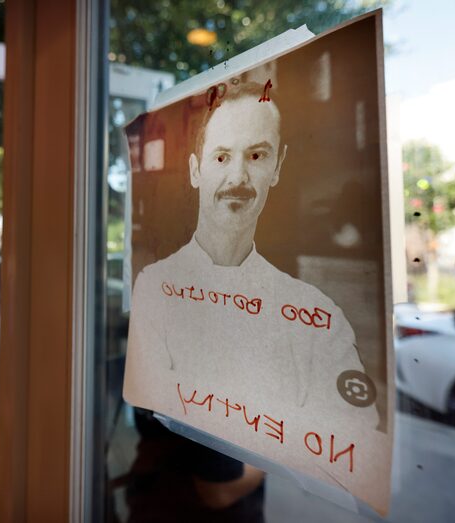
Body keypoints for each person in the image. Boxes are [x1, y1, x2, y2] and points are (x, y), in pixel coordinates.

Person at [123, 81, 378, 428]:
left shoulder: (320, 319)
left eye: (257, 155)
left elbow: (352, 442)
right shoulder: (155, 287)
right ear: (196, 170)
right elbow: (158, 424)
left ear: (277, 167)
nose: (238, 177)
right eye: (222, 157)